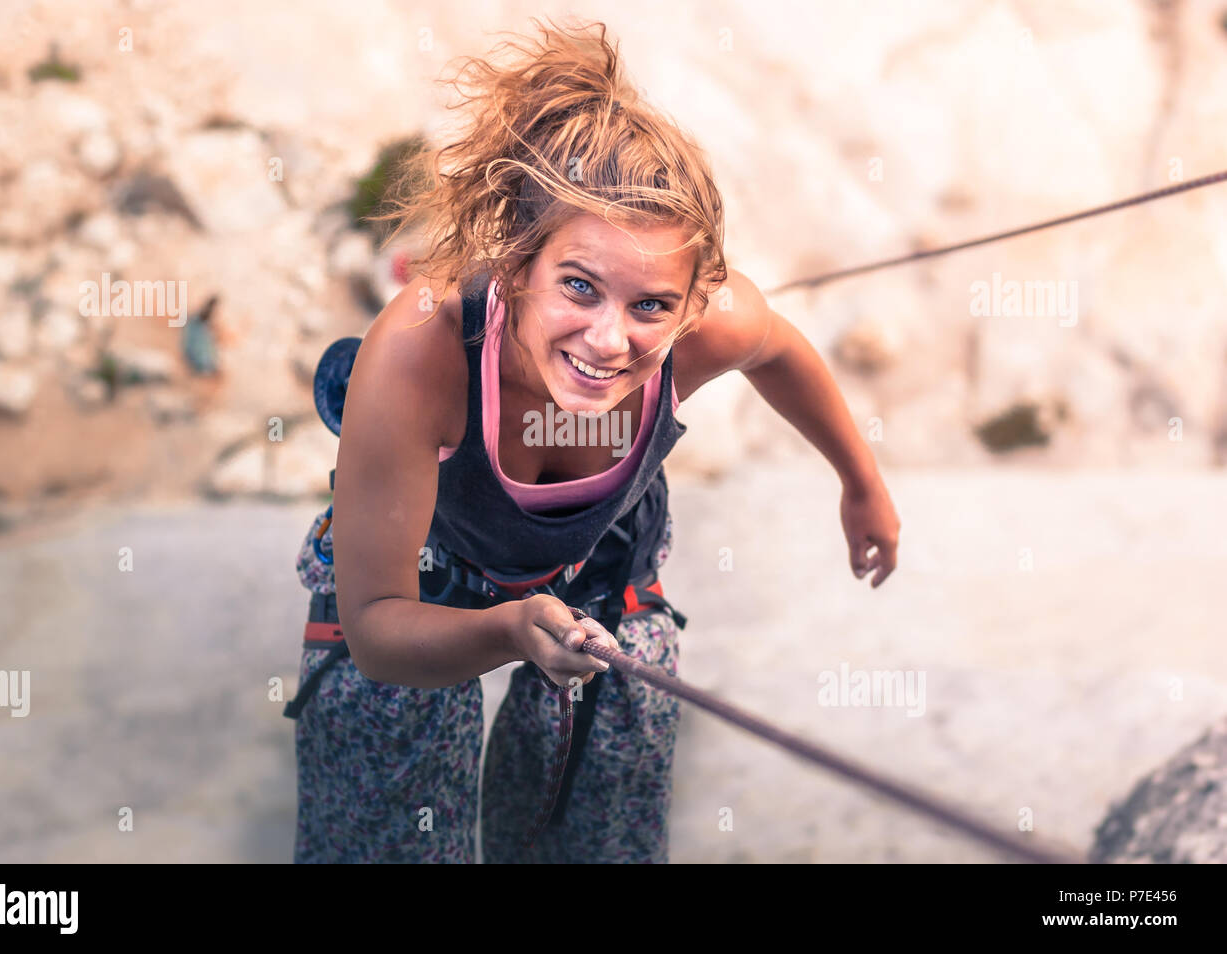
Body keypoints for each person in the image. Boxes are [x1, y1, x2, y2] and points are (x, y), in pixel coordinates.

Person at [289, 16, 900, 864]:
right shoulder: (418, 354)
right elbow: (378, 628)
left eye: (651, 304)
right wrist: (505, 631)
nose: (610, 341)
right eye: (579, 287)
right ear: (515, 267)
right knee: (381, 738)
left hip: (592, 561)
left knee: (610, 773)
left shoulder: (709, 326)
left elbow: (783, 351)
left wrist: (859, 481)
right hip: (426, 551)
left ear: (694, 304)